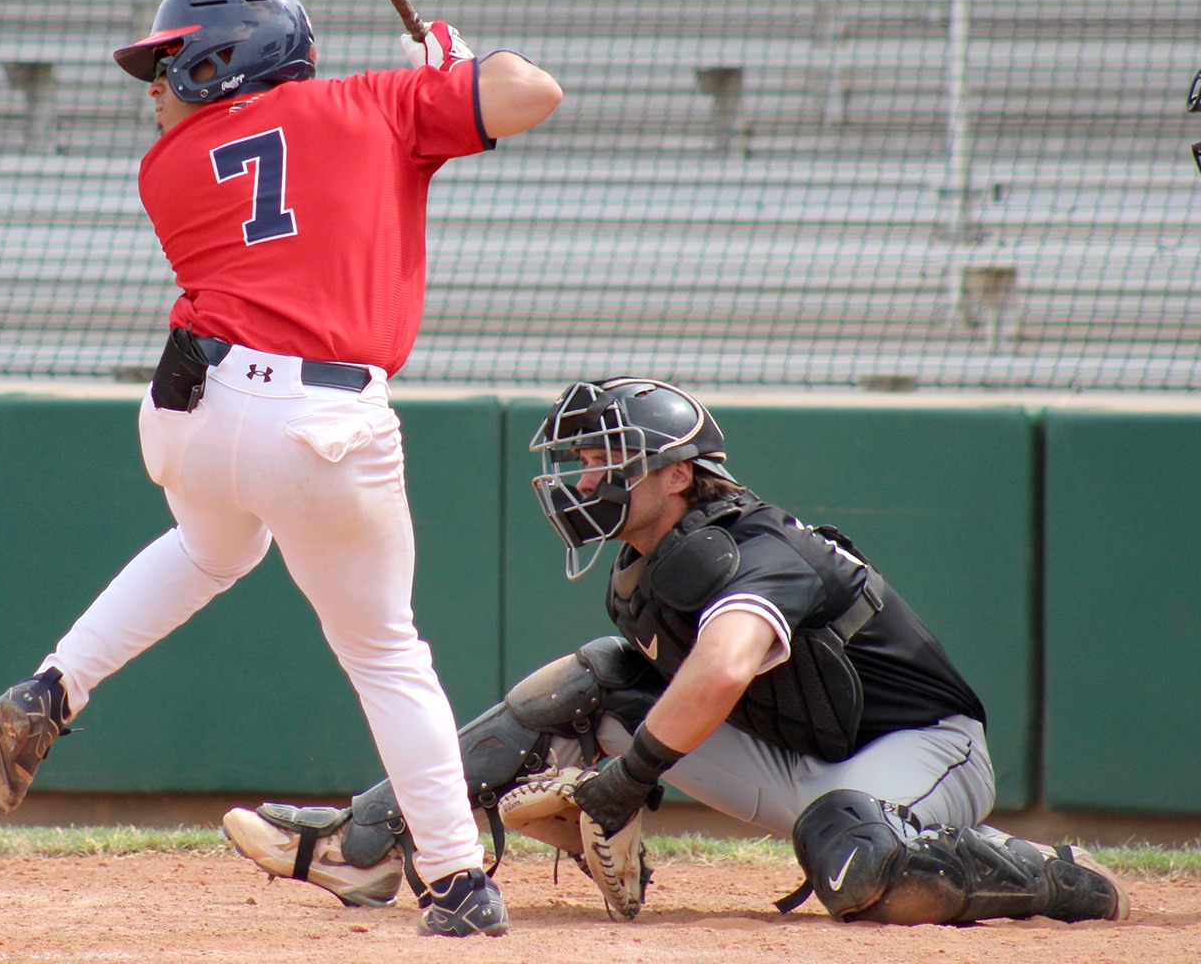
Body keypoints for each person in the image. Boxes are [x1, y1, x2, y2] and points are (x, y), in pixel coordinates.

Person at [0, 0, 564, 938]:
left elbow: (297, 160)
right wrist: (452, 69)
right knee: (385, 654)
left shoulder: (168, 168)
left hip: (191, 416)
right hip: (317, 424)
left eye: (167, 63)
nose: (153, 86)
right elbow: (534, 92)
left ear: (223, 57)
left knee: (213, 548)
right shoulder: (376, 102)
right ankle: (456, 882)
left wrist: (431, 96)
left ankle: (55, 686)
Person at [224, 377, 1130, 926]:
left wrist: (628, 779)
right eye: (583, 460)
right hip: (804, 758)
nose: (586, 477)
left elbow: (729, 666)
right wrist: (609, 777)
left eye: (609, 459)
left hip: (924, 752)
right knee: (595, 681)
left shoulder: (756, 546)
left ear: (678, 475)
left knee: (855, 855)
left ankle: (1057, 881)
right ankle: (373, 837)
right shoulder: (646, 568)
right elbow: (678, 689)